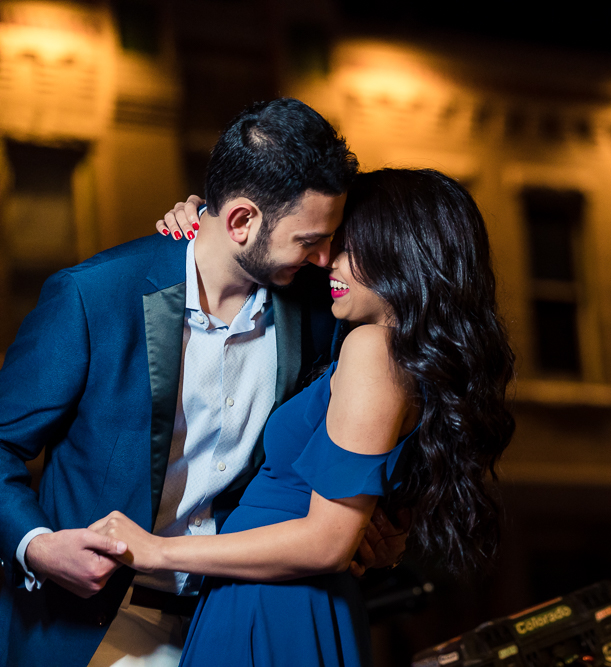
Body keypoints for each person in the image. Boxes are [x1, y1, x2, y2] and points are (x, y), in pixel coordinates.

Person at [0, 99, 404, 667]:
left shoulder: (319, 312)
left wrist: (385, 525)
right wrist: (37, 546)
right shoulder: (94, 297)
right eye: (308, 239)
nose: (323, 258)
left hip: (239, 613)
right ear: (241, 220)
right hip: (89, 626)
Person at [89, 168, 517, 667]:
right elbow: (362, 533)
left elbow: (326, 542)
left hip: (274, 602)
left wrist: (154, 551)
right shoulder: (407, 358)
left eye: (348, 247)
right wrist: (209, 220)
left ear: (401, 251)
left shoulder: (373, 349)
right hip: (281, 597)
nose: (329, 262)